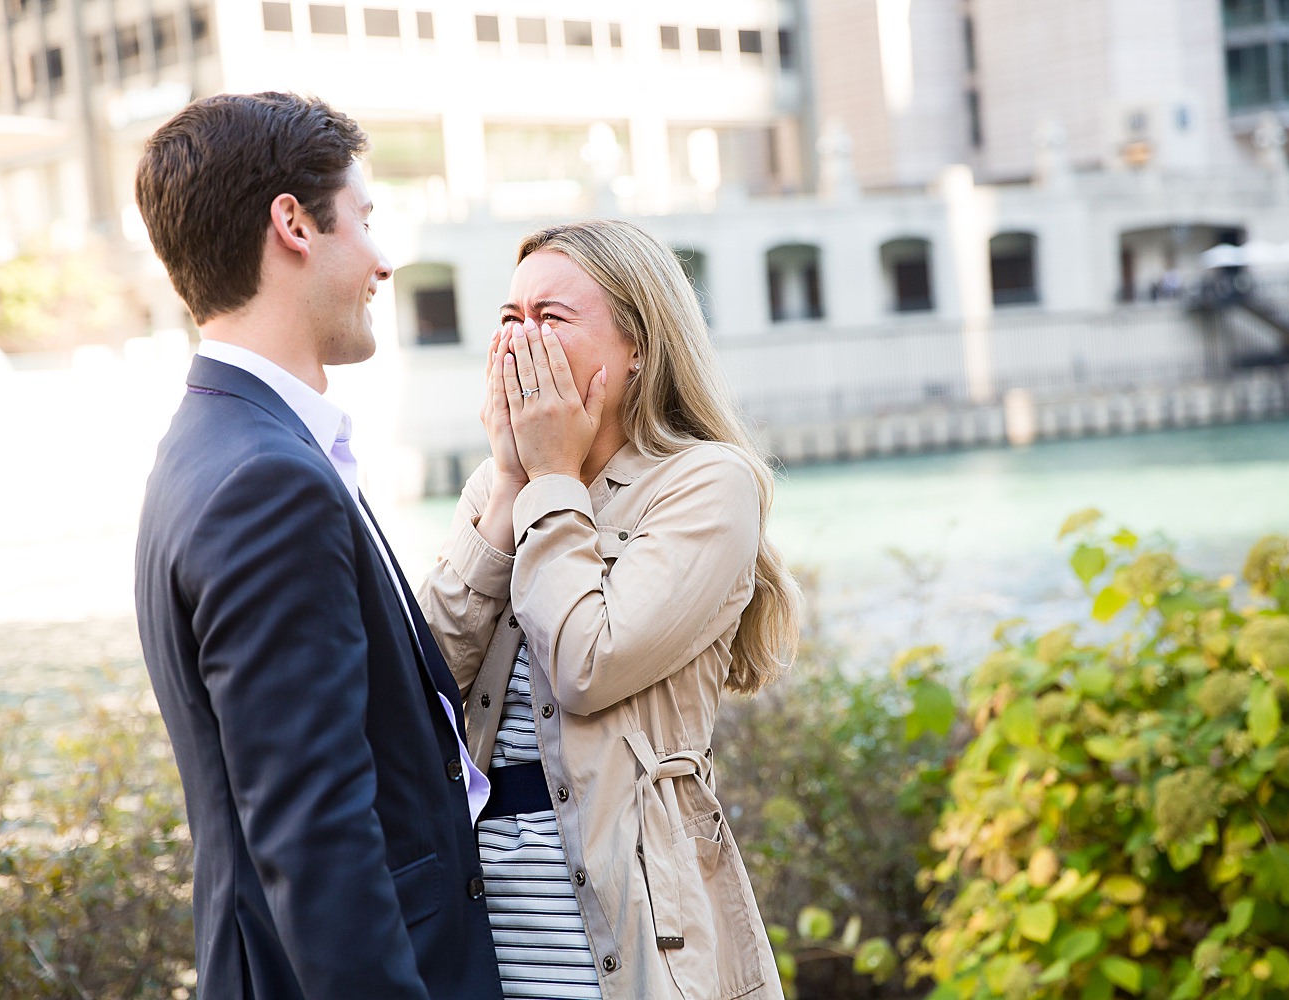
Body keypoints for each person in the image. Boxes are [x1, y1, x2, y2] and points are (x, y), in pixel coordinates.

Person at [132, 92, 501, 1000]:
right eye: (365, 220)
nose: (384, 261)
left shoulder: (208, 444)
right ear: (293, 224)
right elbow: (316, 832)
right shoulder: (269, 480)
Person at [418, 219, 799, 999]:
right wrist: (506, 491)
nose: (522, 343)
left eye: (552, 319)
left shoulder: (705, 484)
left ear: (638, 349)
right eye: (509, 320)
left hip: (635, 939)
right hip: (488, 936)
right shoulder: (500, 494)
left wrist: (551, 477)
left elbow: (588, 665)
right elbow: (419, 689)